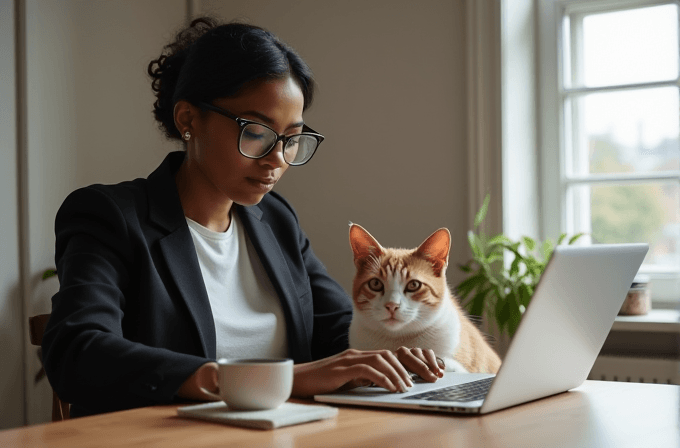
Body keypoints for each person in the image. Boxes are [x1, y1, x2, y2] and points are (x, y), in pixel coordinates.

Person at [42, 17, 443, 418]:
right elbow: (78, 351)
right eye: (256, 131)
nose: (277, 160)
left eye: (291, 139)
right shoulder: (111, 216)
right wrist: (270, 380)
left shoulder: (276, 220)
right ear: (188, 120)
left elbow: (339, 331)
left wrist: (404, 354)